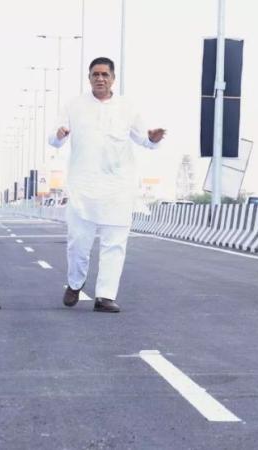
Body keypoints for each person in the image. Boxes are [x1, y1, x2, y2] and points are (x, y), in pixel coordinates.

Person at [49, 57, 165, 313]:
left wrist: (154, 139)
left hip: (118, 187)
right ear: (89, 78)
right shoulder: (73, 106)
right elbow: (54, 139)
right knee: (78, 244)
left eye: (105, 74)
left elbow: (144, 140)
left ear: (113, 78)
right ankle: (75, 283)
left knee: (114, 244)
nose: (100, 78)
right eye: (95, 74)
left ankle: (105, 296)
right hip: (83, 186)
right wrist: (58, 135)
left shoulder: (127, 108)